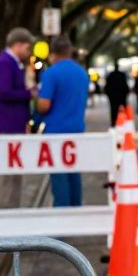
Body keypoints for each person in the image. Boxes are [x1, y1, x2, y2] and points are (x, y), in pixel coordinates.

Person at [36, 36, 90, 207]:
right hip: (77, 129)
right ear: (69, 51)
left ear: (53, 53)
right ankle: (76, 210)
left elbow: (44, 105)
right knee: (74, 174)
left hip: (56, 131)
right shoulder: (82, 73)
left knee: (59, 178)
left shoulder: (51, 73)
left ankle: (61, 213)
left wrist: (36, 102)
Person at [0, 28, 36, 134]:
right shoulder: (5, 63)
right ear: (17, 45)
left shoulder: (11, 62)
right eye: (27, 48)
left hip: (11, 123)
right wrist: (28, 94)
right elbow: (4, 93)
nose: (28, 52)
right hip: (7, 124)